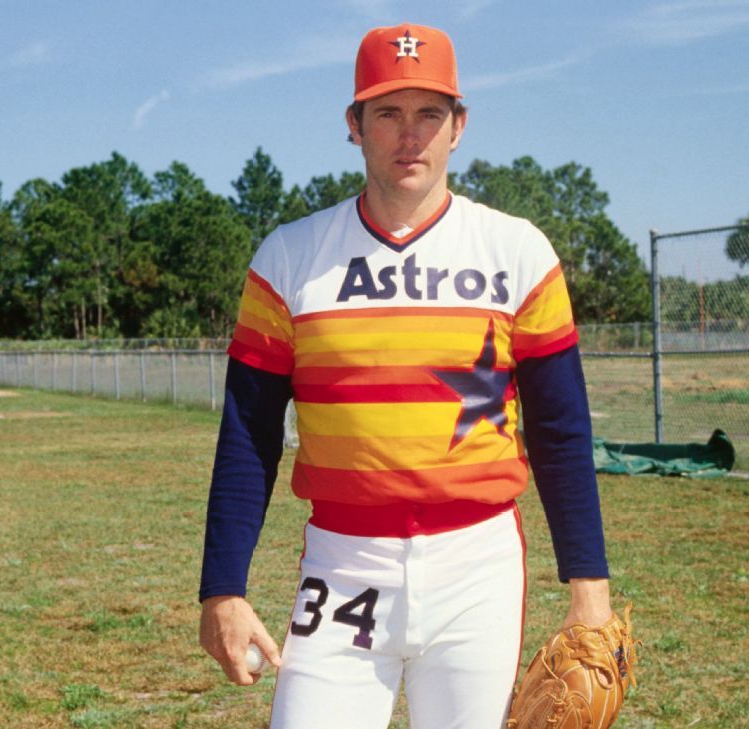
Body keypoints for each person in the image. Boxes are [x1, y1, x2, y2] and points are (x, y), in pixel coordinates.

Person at [198, 22, 613, 728]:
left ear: (460, 125)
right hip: (342, 560)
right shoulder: (291, 258)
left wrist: (590, 589)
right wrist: (222, 588)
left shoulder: (517, 251)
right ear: (353, 125)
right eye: (387, 113)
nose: (409, 134)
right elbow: (248, 431)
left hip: (477, 562)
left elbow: (561, 430)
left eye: (430, 113)